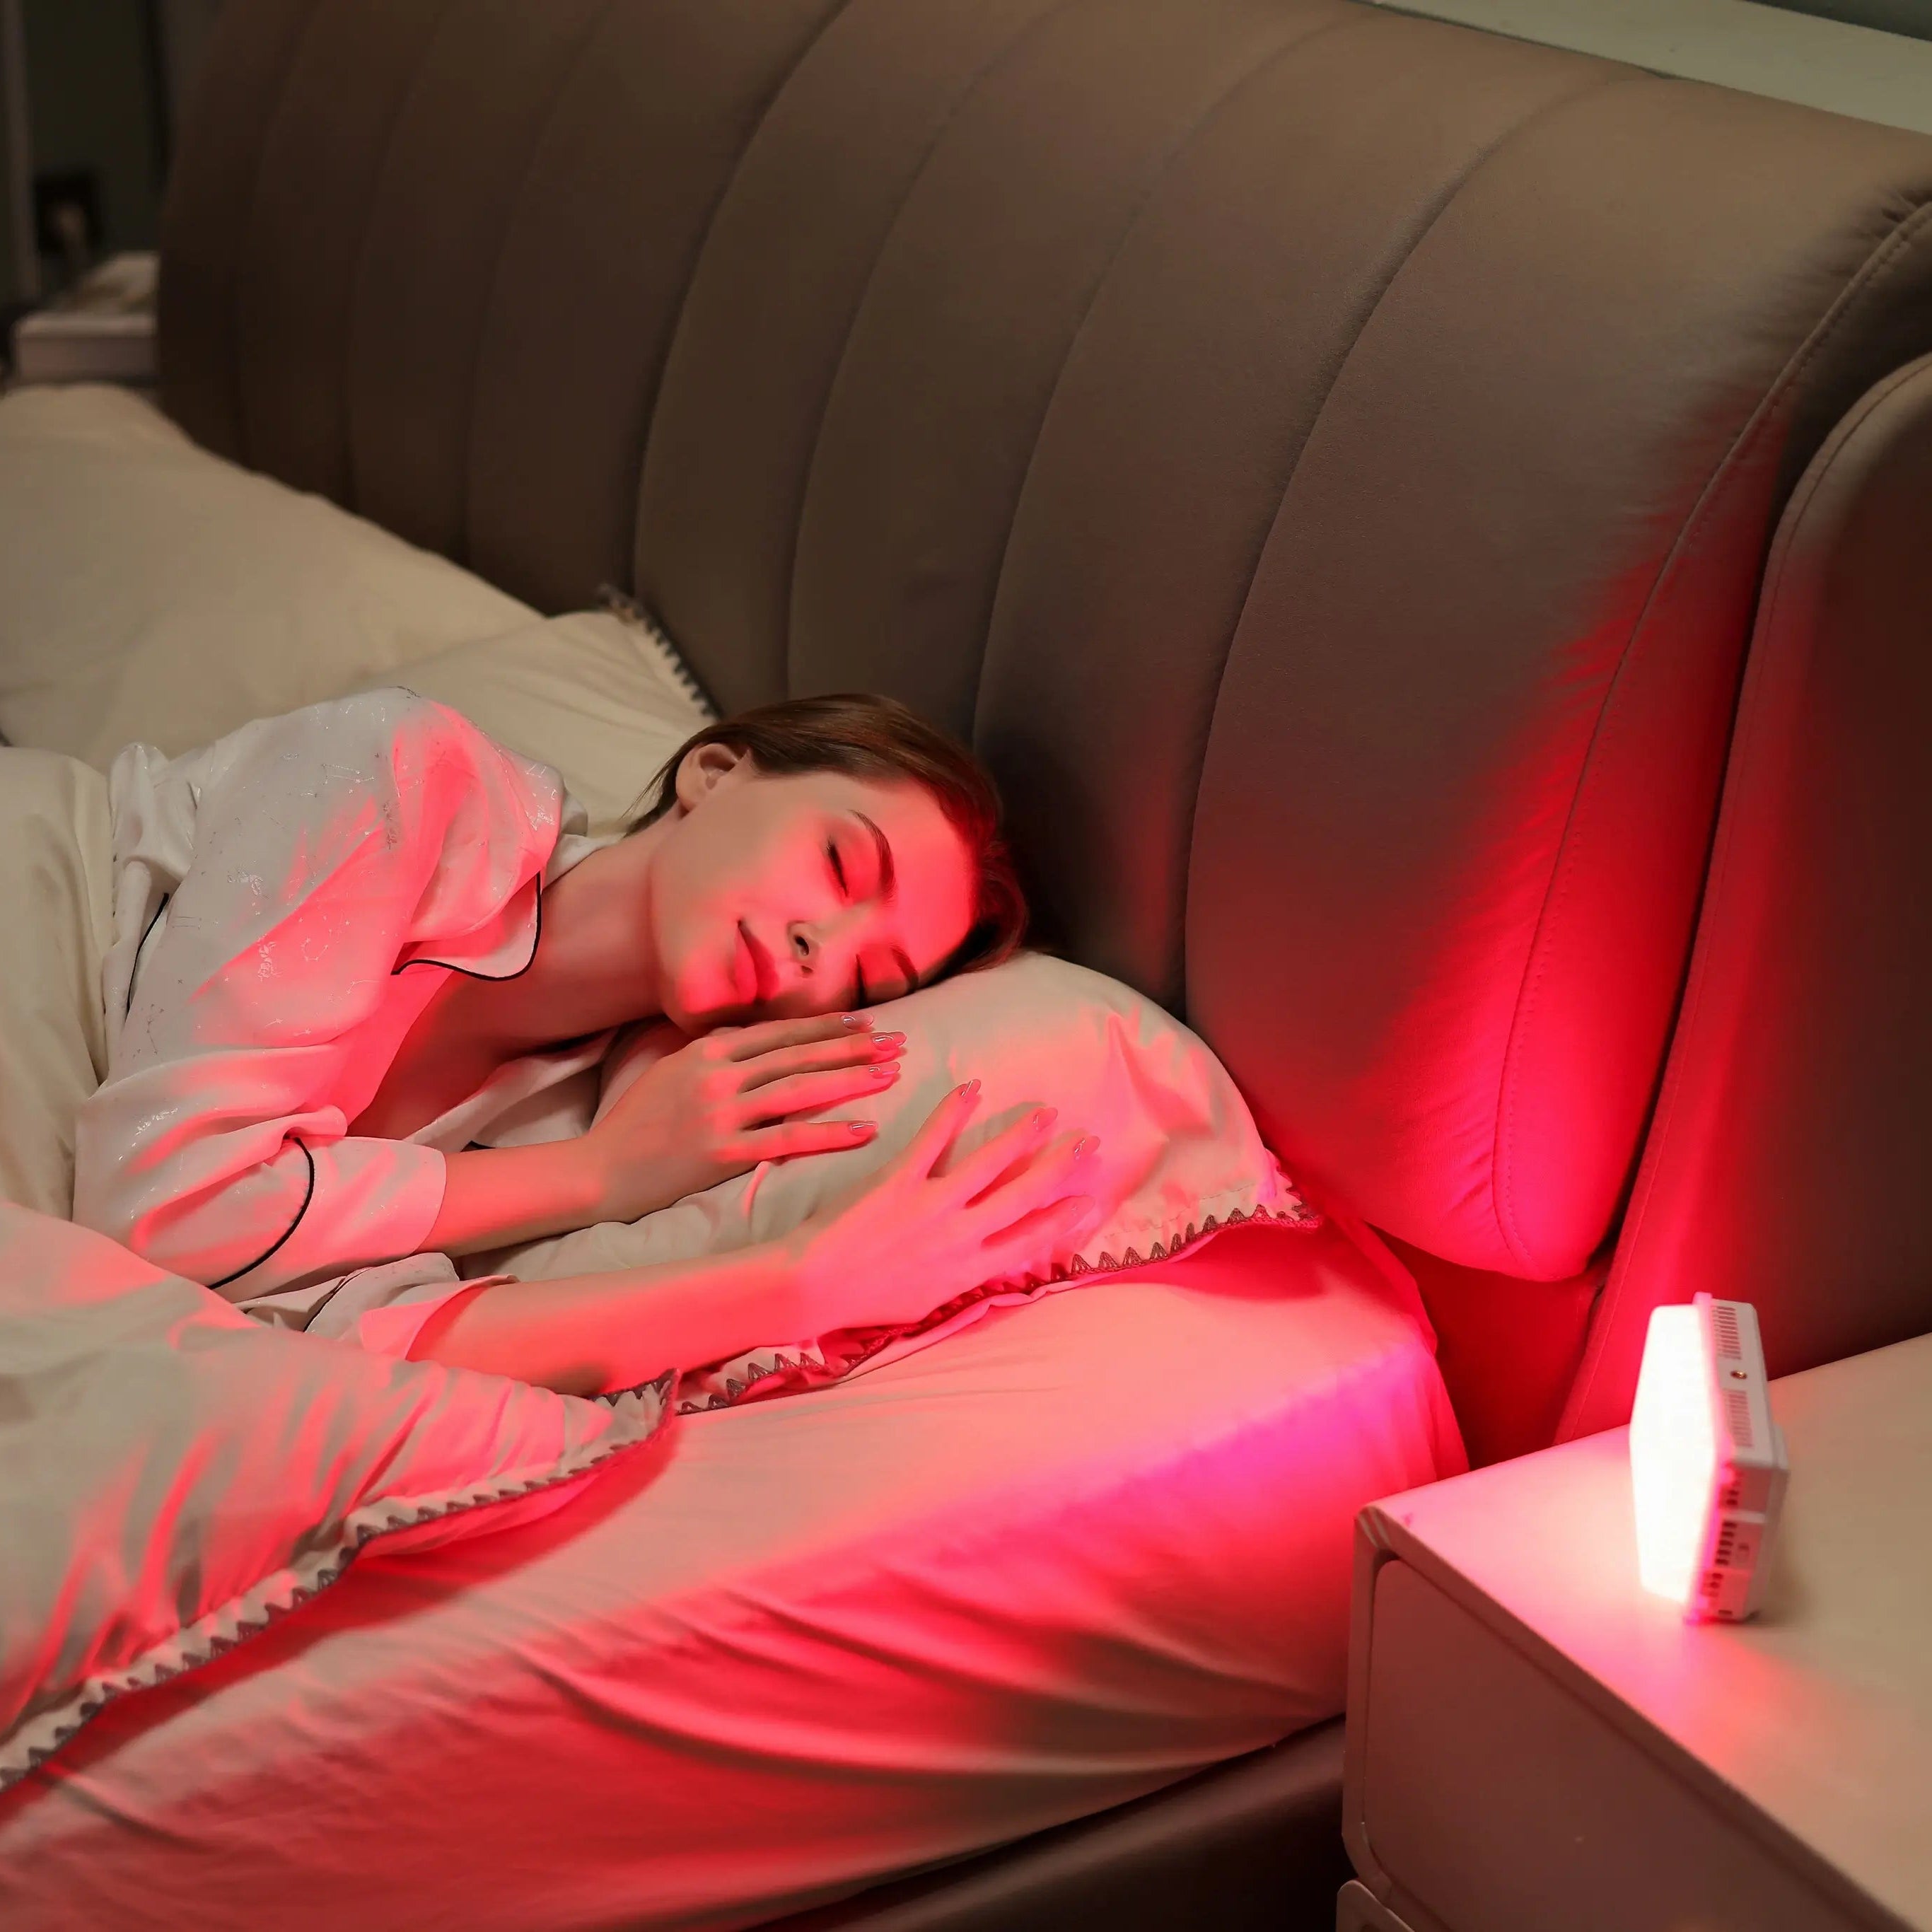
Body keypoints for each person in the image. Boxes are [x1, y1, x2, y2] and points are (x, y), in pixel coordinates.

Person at [71, 687, 1102, 1397]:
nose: (818, 953)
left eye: (867, 981)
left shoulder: (586, 1110)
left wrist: (808, 1281)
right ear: (715, 772)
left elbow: (374, 1340)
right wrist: (597, 1176)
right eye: (839, 865)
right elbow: (164, 1200)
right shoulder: (404, 775)